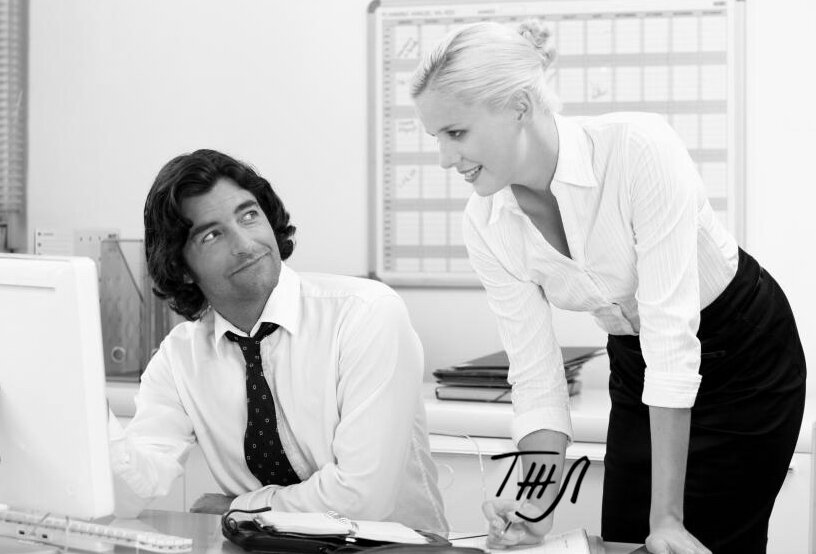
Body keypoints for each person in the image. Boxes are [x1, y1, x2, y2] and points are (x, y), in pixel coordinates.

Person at [410, 20, 805, 554]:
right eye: (435, 137)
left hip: (745, 357)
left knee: (688, 541)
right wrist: (534, 507)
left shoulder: (638, 148)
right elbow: (536, 379)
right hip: (638, 361)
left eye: (455, 133)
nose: (443, 158)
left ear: (519, 106)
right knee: (624, 541)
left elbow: (671, 336)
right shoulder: (486, 221)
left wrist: (667, 519)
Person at [109, 149, 448, 535]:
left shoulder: (365, 312)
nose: (245, 243)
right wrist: (87, 410)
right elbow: (131, 494)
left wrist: (240, 508)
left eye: (248, 216)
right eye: (212, 235)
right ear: (181, 268)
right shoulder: (179, 358)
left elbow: (362, 500)